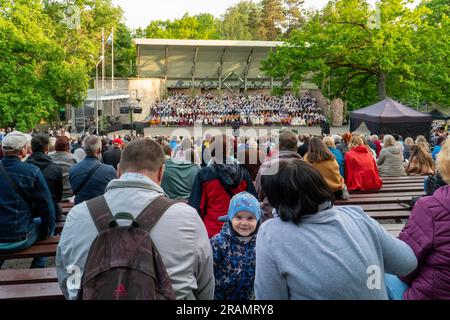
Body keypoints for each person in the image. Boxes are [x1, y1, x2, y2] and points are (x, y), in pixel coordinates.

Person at [56, 138, 214, 300]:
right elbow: (205, 284)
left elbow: (66, 278)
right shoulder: (187, 217)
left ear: (118, 171)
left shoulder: (77, 215)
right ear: (161, 172)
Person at [255, 159, 417, 299]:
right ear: (318, 184)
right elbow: (407, 263)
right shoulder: (356, 215)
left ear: (275, 198)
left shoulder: (270, 233)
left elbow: (268, 296)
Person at [384, 138, 450, 300]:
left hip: (431, 294)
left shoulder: (431, 208)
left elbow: (405, 267)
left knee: (373, 270)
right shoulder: (425, 155)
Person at [0, 131, 55, 269]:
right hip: (20, 237)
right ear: (23, 150)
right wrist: (47, 231)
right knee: (48, 226)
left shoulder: (32, 171)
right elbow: (47, 209)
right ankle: (37, 267)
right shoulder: (32, 171)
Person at [189, 135, 257, 238]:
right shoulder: (243, 172)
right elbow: (252, 202)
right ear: (228, 150)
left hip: (212, 229)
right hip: (239, 228)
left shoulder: (204, 174)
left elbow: (197, 207)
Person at [210, 192, 261, 300]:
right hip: (219, 296)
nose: (244, 223)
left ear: (258, 220)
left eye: (250, 218)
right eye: (238, 217)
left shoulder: (260, 243)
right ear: (230, 218)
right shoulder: (219, 242)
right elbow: (207, 271)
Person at [255, 130, 302, 222]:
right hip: (299, 218)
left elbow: (258, 191)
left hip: (271, 216)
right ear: (296, 147)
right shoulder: (307, 166)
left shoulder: (267, 165)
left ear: (278, 146)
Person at [69, 135, 117, 205]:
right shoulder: (109, 170)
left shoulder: (73, 169)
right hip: (101, 211)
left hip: (80, 209)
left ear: (84, 149)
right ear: (99, 150)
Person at [26, 134, 63, 218]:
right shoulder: (56, 168)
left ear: (31, 148)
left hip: (30, 212)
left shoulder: (23, 167)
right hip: (50, 212)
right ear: (47, 148)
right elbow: (58, 196)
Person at [50, 136, 78, 200]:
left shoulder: (49, 157)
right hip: (70, 193)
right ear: (68, 146)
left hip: (53, 193)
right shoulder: (74, 158)